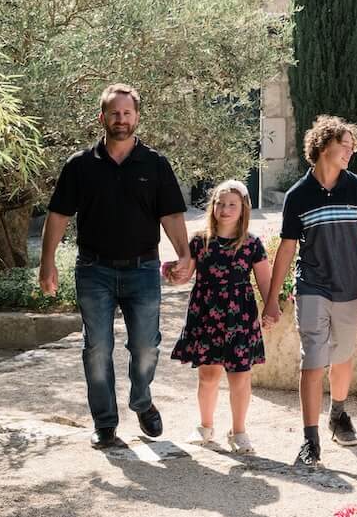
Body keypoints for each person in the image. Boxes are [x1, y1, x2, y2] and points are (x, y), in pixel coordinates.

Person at [39, 83, 190, 450]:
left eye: (127, 113)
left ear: (136, 117)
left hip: (143, 270)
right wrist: (47, 263)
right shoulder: (80, 165)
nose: (121, 119)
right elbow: (58, 216)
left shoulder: (155, 164)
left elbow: (171, 215)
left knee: (146, 346)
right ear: (102, 117)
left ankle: (141, 400)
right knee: (97, 348)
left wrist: (185, 255)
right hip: (94, 271)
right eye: (114, 113)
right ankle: (105, 423)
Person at [265, 116, 357, 470]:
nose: (350, 151)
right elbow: (287, 248)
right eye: (343, 145)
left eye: (352, 147)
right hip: (312, 286)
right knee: (313, 357)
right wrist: (272, 299)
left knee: (342, 357)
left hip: (350, 288)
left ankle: (338, 414)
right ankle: (310, 439)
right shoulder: (298, 195)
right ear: (322, 146)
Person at [169, 179, 270, 454]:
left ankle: (239, 431)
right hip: (205, 314)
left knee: (240, 377)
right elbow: (185, 276)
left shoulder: (252, 244)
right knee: (208, 375)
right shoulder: (200, 241)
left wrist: (271, 307)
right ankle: (205, 426)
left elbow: (265, 281)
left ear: (243, 209)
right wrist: (172, 273)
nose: (225, 210)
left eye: (232, 205)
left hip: (240, 316)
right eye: (220, 204)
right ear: (213, 206)